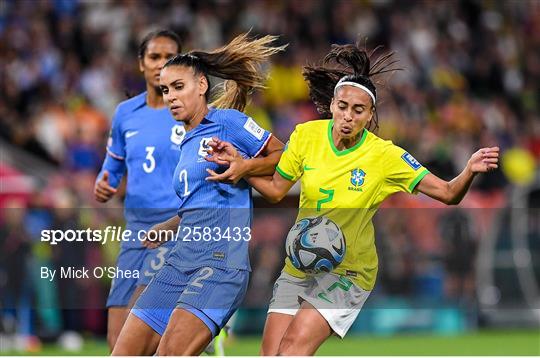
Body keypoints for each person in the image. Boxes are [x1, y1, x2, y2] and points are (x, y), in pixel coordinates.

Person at [205, 41, 500, 355]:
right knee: (270, 354)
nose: (348, 116)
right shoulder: (306, 136)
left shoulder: (384, 155)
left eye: (358, 110)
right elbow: (277, 189)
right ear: (332, 105)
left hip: (349, 273)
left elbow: (447, 193)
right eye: (343, 106)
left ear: (370, 114)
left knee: (292, 350)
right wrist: (241, 167)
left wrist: (468, 170)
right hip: (300, 264)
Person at [111, 33, 286, 356]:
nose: (170, 97)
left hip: (220, 265)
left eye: (179, 87)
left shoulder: (228, 123)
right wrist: (169, 225)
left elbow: (286, 158)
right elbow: (202, 204)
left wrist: (244, 167)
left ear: (202, 85)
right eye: (165, 90)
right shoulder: (187, 143)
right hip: (179, 261)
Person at [93, 29, 183, 351]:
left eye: (169, 57)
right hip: (135, 230)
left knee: (140, 324)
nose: (161, 64)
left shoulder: (189, 113)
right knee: (116, 339)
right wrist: (104, 182)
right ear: (141, 63)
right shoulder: (125, 114)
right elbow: (112, 167)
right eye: (154, 57)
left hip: (173, 226)